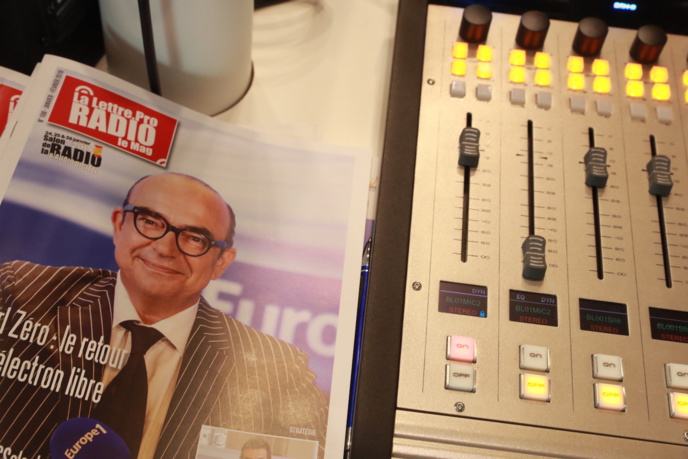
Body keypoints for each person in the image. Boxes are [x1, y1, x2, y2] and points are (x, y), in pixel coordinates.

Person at [0, 173, 328, 459]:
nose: (164, 248)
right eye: (151, 222)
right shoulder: (22, 291)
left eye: (195, 238)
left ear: (221, 262)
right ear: (119, 225)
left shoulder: (279, 370)